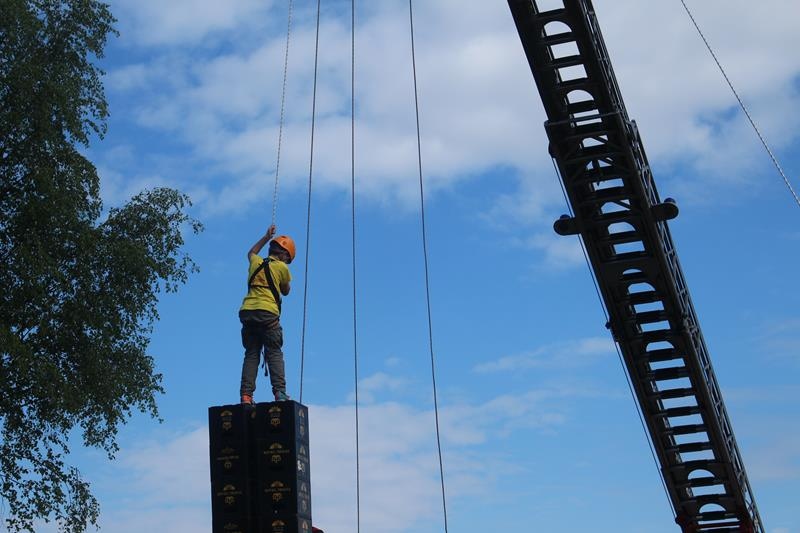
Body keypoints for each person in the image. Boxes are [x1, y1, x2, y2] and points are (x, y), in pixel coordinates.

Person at [239, 224, 295, 404]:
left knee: (251, 354)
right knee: (274, 352)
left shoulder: (256, 262)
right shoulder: (282, 268)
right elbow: (286, 291)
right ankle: (280, 392)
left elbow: (251, 252)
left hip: (248, 313)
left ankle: (246, 395)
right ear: (285, 255)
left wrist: (265, 237)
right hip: (268, 314)